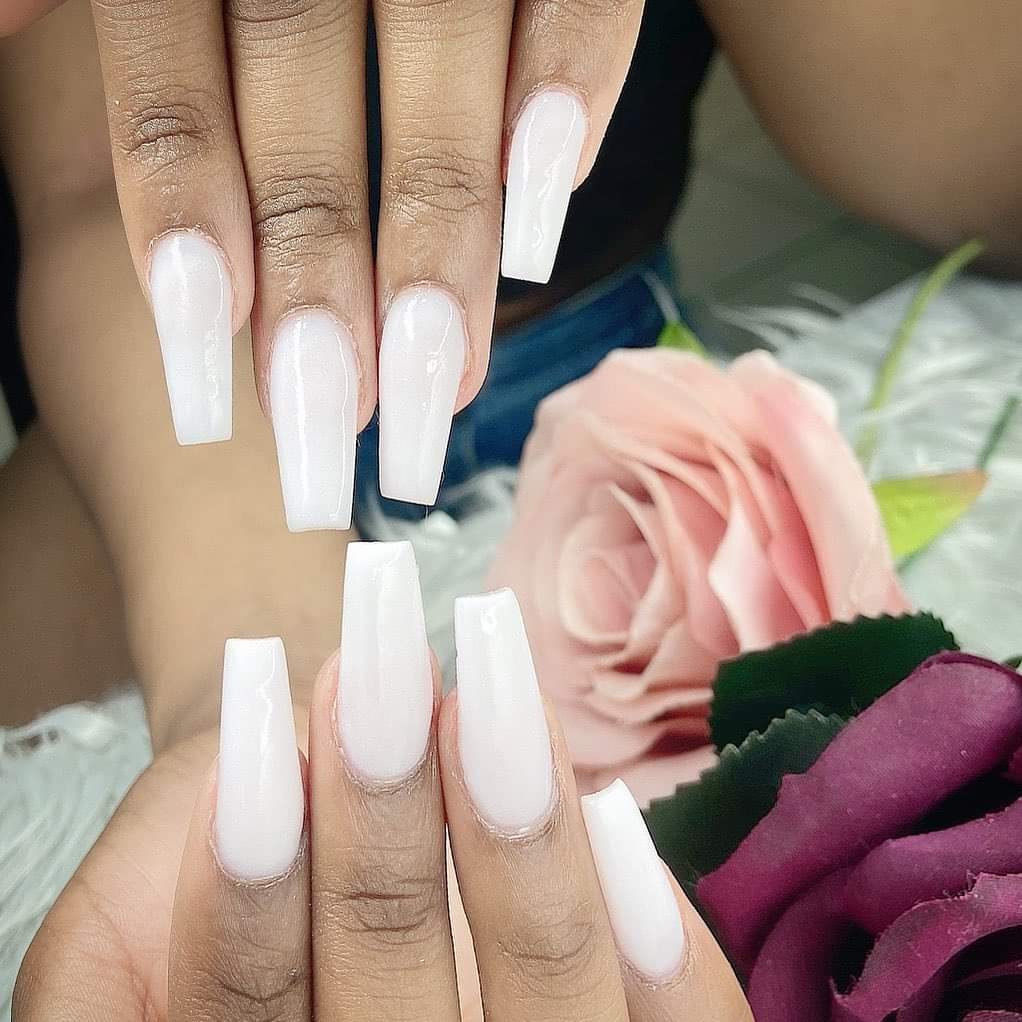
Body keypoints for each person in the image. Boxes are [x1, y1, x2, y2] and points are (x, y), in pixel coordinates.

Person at [1, 0, 1021, 1016]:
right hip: (176, 482)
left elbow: (958, 148)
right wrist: (256, 700)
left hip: (619, 408)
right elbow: (91, 191)